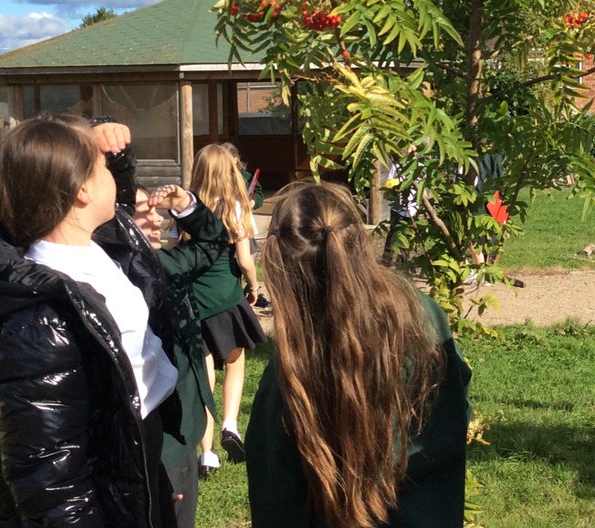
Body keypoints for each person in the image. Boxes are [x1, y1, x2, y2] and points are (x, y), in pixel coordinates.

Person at [0, 114, 209, 528]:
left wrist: (109, 150)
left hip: (135, 452)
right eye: (100, 168)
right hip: (101, 488)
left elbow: (113, 204)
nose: (112, 176)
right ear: (81, 190)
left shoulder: (94, 245)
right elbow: (50, 482)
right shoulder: (41, 323)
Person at [245, 181, 472, 528]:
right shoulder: (422, 316)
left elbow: (275, 496)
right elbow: (456, 406)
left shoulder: (289, 375)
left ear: (281, 268)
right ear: (361, 242)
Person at [133, 184, 227, 528]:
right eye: (141, 213)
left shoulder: (166, 264)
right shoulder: (116, 280)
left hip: (186, 425)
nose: (155, 219)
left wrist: (187, 206)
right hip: (159, 436)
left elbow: (213, 243)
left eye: (155, 210)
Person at [188, 142, 267, 477]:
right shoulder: (235, 206)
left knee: (203, 377)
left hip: (194, 298)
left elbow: (176, 246)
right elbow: (245, 259)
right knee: (235, 361)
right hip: (225, 295)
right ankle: (230, 425)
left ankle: (207, 455)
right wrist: (253, 286)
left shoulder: (187, 205)